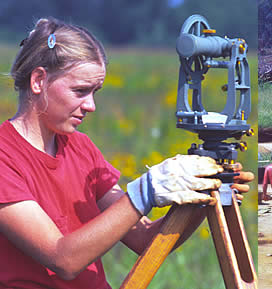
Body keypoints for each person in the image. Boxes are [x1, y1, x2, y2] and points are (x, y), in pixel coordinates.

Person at [0, 18, 253, 288]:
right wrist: (146, 191)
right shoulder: (5, 157)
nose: (91, 105)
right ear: (38, 80)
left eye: (95, 92)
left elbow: (145, 239)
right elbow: (63, 258)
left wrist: (204, 193)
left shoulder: (81, 148)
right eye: (81, 91)